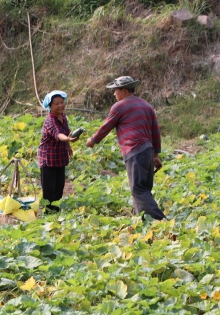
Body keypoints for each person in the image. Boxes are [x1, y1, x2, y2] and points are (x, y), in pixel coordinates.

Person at [86, 76, 166, 220]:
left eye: (116, 90)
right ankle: (139, 221)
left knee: (138, 190)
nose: (114, 93)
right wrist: (155, 155)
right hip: (147, 150)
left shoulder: (120, 106)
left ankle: (162, 221)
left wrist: (92, 140)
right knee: (143, 189)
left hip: (134, 151)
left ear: (123, 90)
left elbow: (106, 126)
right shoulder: (146, 105)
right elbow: (155, 132)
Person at [38, 90, 79, 213]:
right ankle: (48, 213)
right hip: (48, 158)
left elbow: (65, 131)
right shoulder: (50, 121)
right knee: (49, 189)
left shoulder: (64, 117)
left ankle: (56, 212)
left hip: (60, 157)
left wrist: (68, 146)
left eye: (62, 102)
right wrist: (67, 139)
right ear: (50, 106)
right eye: (57, 104)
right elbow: (58, 134)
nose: (60, 105)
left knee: (59, 187)